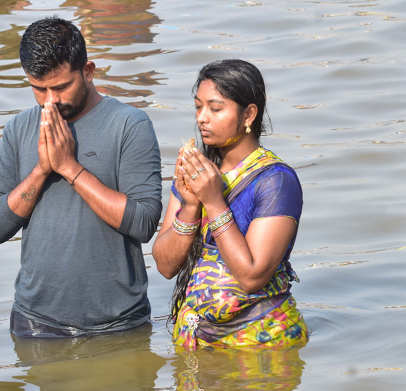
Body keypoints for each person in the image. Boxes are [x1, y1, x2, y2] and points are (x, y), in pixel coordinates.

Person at [0, 17, 162, 337]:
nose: (50, 101)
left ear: (88, 70)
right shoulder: (18, 130)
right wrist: (42, 170)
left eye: (61, 87)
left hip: (118, 324)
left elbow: (144, 223)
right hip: (35, 323)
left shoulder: (130, 125)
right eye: (38, 89)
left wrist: (69, 168)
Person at [153, 59, 308, 350]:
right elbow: (164, 265)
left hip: (260, 346)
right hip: (195, 339)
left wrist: (212, 202)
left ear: (249, 114)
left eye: (215, 108)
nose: (201, 118)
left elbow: (252, 276)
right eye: (198, 107)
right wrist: (189, 206)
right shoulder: (197, 170)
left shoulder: (276, 180)